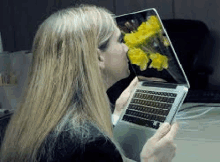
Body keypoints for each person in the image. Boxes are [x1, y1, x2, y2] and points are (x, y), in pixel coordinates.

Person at [0, 4, 179, 162]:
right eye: (119, 40)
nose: (126, 48)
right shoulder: (91, 147)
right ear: (97, 57)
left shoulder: (21, 124)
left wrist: (114, 118)